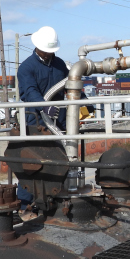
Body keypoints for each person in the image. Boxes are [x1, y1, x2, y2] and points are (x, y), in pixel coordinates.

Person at [15, 26, 92, 219]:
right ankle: (25, 205)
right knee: (33, 164)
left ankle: (57, 200)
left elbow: (71, 84)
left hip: (60, 121)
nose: (49, 53)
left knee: (63, 161)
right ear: (38, 47)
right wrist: (44, 106)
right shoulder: (27, 67)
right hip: (36, 121)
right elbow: (30, 92)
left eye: (52, 50)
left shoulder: (59, 65)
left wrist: (84, 103)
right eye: (46, 50)